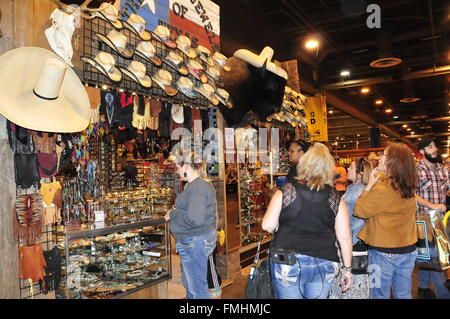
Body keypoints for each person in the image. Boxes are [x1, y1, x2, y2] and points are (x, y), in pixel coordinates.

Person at [262, 143, 353, 299]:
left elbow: (267, 225)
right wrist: (347, 269)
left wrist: (280, 225)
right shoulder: (335, 198)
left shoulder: (286, 191)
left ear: (303, 164)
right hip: (324, 260)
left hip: (288, 259)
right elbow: (344, 237)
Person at [354, 142, 418, 299]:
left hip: (383, 252)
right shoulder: (407, 185)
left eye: (383, 154)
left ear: (392, 162)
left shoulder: (382, 189)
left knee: (379, 294)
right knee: (403, 294)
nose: (379, 157)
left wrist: (368, 186)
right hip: (408, 249)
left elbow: (359, 211)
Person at [164, 153, 218, 299]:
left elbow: (195, 219)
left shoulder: (197, 187)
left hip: (195, 241)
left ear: (186, 166)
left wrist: (173, 214)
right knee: (194, 286)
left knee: (196, 289)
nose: (177, 171)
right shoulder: (196, 186)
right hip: (195, 240)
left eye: (178, 167)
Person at [329, 157, 373, 299]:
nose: (348, 169)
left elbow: (353, 220)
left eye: (352, 168)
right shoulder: (356, 189)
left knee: (351, 284)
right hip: (354, 242)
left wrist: (345, 239)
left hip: (353, 243)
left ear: (360, 173)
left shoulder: (357, 192)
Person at [414, 136, 450, 299]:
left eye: (434, 145)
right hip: (423, 219)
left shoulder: (442, 169)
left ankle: (422, 287)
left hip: (440, 219)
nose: (434, 149)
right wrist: (432, 205)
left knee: (428, 255)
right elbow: (411, 195)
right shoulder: (416, 170)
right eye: (429, 147)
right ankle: (443, 294)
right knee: (436, 258)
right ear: (422, 152)